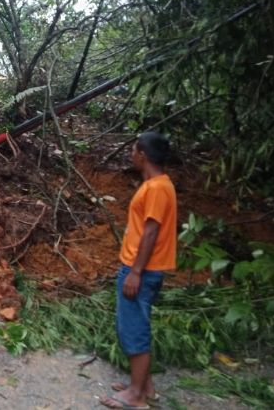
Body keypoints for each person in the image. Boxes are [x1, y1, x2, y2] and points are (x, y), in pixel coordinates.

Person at [100, 132, 177, 410]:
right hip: (143, 268)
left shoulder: (156, 188)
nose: (131, 155)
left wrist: (135, 271)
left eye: (133, 150)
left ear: (143, 155)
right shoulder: (157, 185)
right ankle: (145, 385)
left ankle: (136, 395)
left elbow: (151, 232)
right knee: (133, 324)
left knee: (134, 328)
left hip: (142, 270)